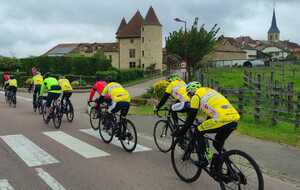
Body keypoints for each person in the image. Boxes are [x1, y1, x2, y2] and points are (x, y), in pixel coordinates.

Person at [173, 81, 240, 168]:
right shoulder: (210, 91)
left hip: (221, 119)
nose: (189, 97)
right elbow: (211, 112)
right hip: (234, 118)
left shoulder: (196, 96)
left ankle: (203, 160)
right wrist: (205, 123)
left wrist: (180, 132)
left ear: (192, 91)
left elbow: (190, 119)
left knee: (198, 131)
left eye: (189, 94)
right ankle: (228, 167)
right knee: (217, 144)